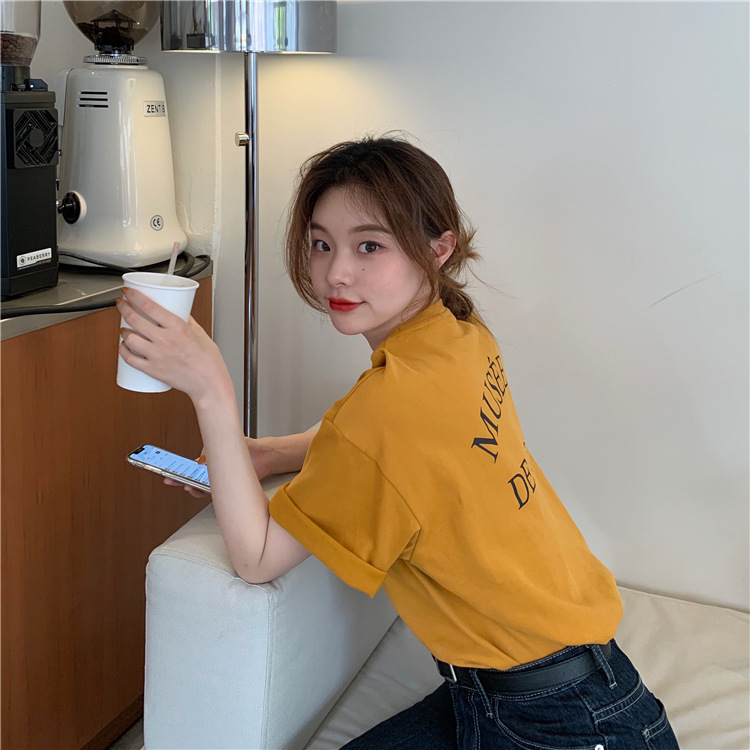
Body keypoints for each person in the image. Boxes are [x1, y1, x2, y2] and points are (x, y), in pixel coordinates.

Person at [117, 135, 680, 749]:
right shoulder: (459, 336)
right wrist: (272, 453)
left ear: (438, 248)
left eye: (370, 246)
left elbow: (256, 560)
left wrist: (211, 390)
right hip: (575, 687)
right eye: (321, 244)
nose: (337, 272)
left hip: (560, 724)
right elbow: (382, 440)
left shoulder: (386, 410)